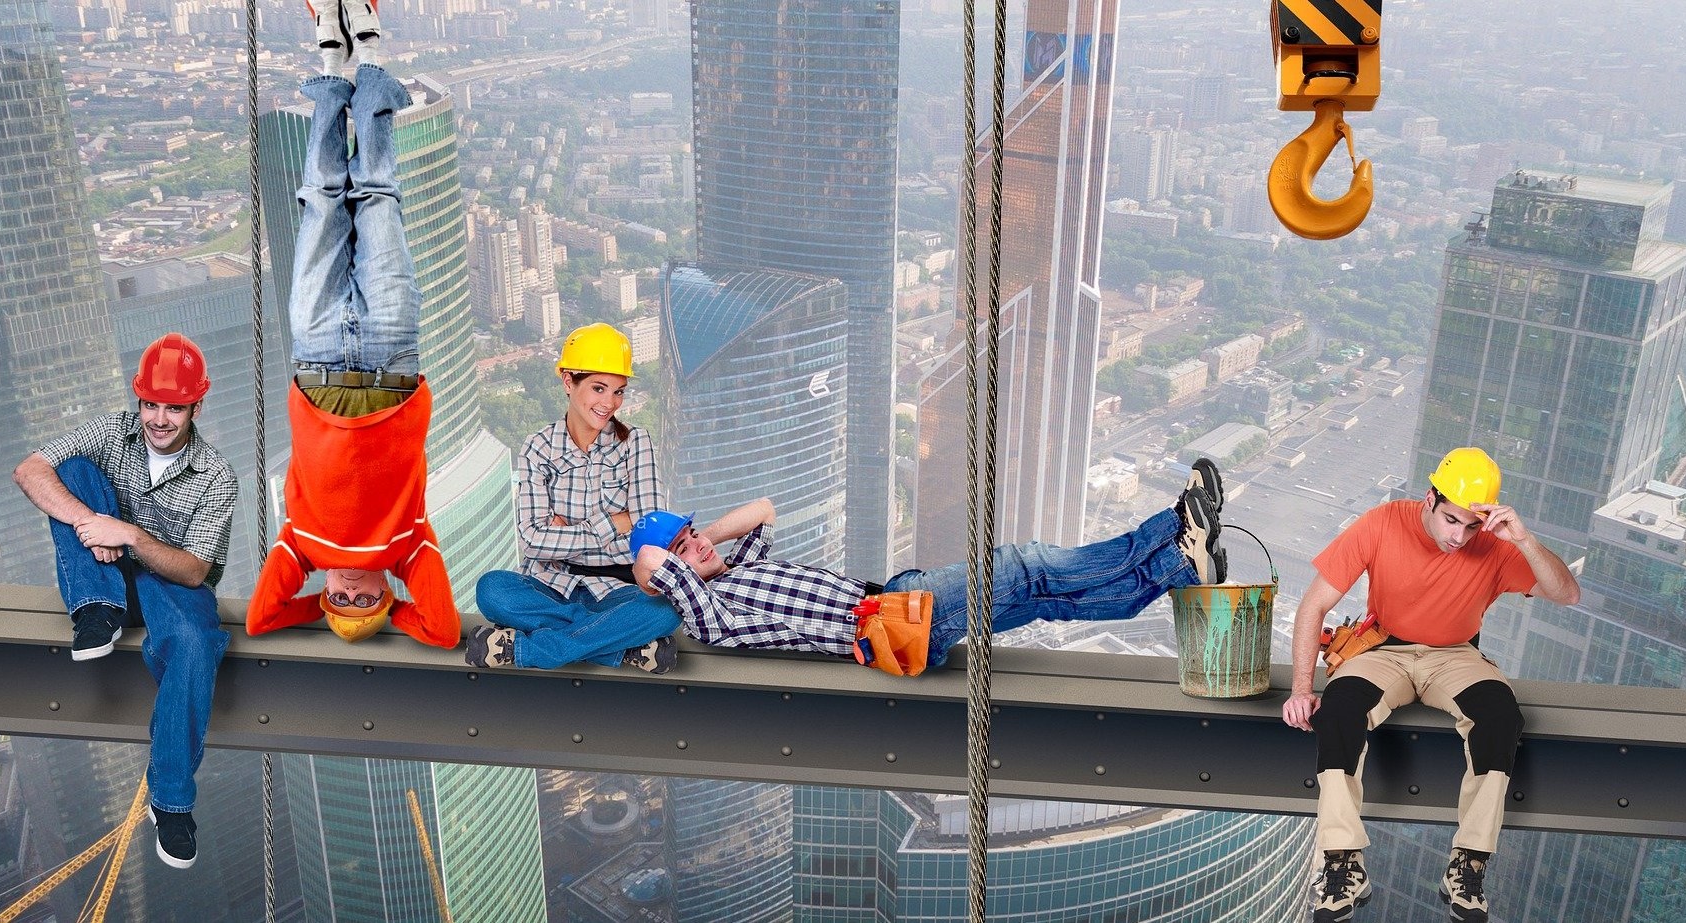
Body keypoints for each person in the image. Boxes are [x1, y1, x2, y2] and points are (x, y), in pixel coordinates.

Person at [1281, 447, 1580, 923]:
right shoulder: (1382, 523)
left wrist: (1523, 540)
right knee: (1337, 713)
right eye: (1450, 521)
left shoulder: (1498, 545)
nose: (1459, 536)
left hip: (1456, 656)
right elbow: (1313, 604)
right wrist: (1301, 688)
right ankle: (1343, 862)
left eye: (1470, 525)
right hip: (1383, 651)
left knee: (1501, 719)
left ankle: (1469, 863)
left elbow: (1567, 593)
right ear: (1428, 499)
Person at [244, 33, 459, 650]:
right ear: (388, 591)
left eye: (341, 601)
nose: (349, 591)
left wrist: (313, 605)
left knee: (319, 209)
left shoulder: (303, 548)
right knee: (377, 203)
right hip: (392, 359)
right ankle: (371, 81)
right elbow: (442, 631)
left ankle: (332, 79)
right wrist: (393, 611)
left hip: (314, 356)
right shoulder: (407, 547)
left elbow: (260, 618)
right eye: (363, 600)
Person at [624, 460, 1228, 671]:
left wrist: (694, 538)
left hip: (894, 602)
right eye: (684, 549)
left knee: (1045, 596)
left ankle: (1180, 570)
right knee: (1023, 565)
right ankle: (1173, 529)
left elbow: (761, 512)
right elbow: (655, 567)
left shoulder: (735, 575)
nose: (698, 546)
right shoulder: (711, 616)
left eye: (694, 534)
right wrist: (660, 554)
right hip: (888, 622)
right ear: (669, 580)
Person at [13, 332, 238, 870]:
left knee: (194, 641)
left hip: (171, 583)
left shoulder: (217, 476)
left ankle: (171, 801)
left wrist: (129, 534)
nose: (159, 418)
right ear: (139, 399)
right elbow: (29, 470)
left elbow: (195, 569)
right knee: (69, 470)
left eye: (174, 407)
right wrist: (93, 526)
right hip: (104, 573)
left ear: (196, 407)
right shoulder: (112, 431)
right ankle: (95, 611)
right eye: (151, 403)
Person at [467, 323, 684, 673]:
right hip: (551, 584)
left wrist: (566, 532)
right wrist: (614, 521)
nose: (609, 403)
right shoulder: (538, 447)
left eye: (618, 392)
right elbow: (533, 542)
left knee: (668, 607)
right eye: (599, 388)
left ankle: (523, 650)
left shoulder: (636, 443)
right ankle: (619, 646)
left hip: (618, 589)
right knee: (491, 590)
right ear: (569, 381)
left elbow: (650, 535)